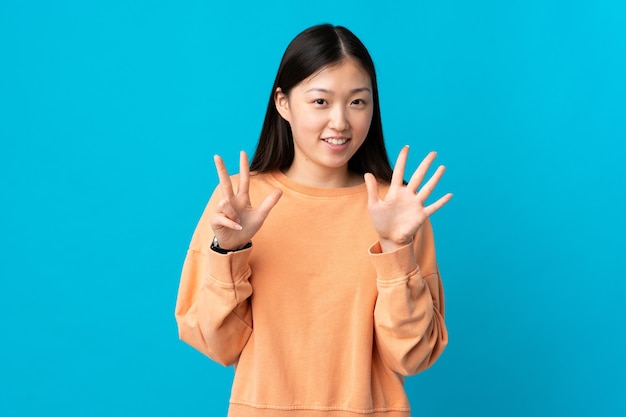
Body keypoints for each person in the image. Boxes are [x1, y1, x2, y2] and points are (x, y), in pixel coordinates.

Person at [175, 23, 452, 417]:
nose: (340, 122)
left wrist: (396, 249)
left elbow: (413, 356)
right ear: (283, 103)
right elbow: (216, 344)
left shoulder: (398, 209)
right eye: (320, 102)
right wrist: (228, 252)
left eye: (358, 102)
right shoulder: (238, 203)